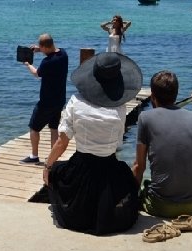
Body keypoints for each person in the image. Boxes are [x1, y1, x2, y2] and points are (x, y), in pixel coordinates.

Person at [43, 52, 142, 234]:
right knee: (127, 181)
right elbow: (117, 143)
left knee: (56, 171)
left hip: (81, 167)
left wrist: (47, 167)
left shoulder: (76, 102)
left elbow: (61, 143)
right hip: (109, 167)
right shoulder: (120, 108)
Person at [133, 71, 192, 218]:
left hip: (160, 206)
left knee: (144, 186)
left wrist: (131, 200)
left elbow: (139, 166)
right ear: (176, 94)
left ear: (152, 96)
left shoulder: (145, 118)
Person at [20, 33, 69, 164]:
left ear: (45, 47)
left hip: (46, 102)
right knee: (54, 128)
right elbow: (51, 50)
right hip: (59, 100)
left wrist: (28, 63)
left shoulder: (47, 62)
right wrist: (39, 49)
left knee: (34, 127)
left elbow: (37, 73)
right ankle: (53, 158)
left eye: (41, 48)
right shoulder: (63, 54)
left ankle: (34, 156)